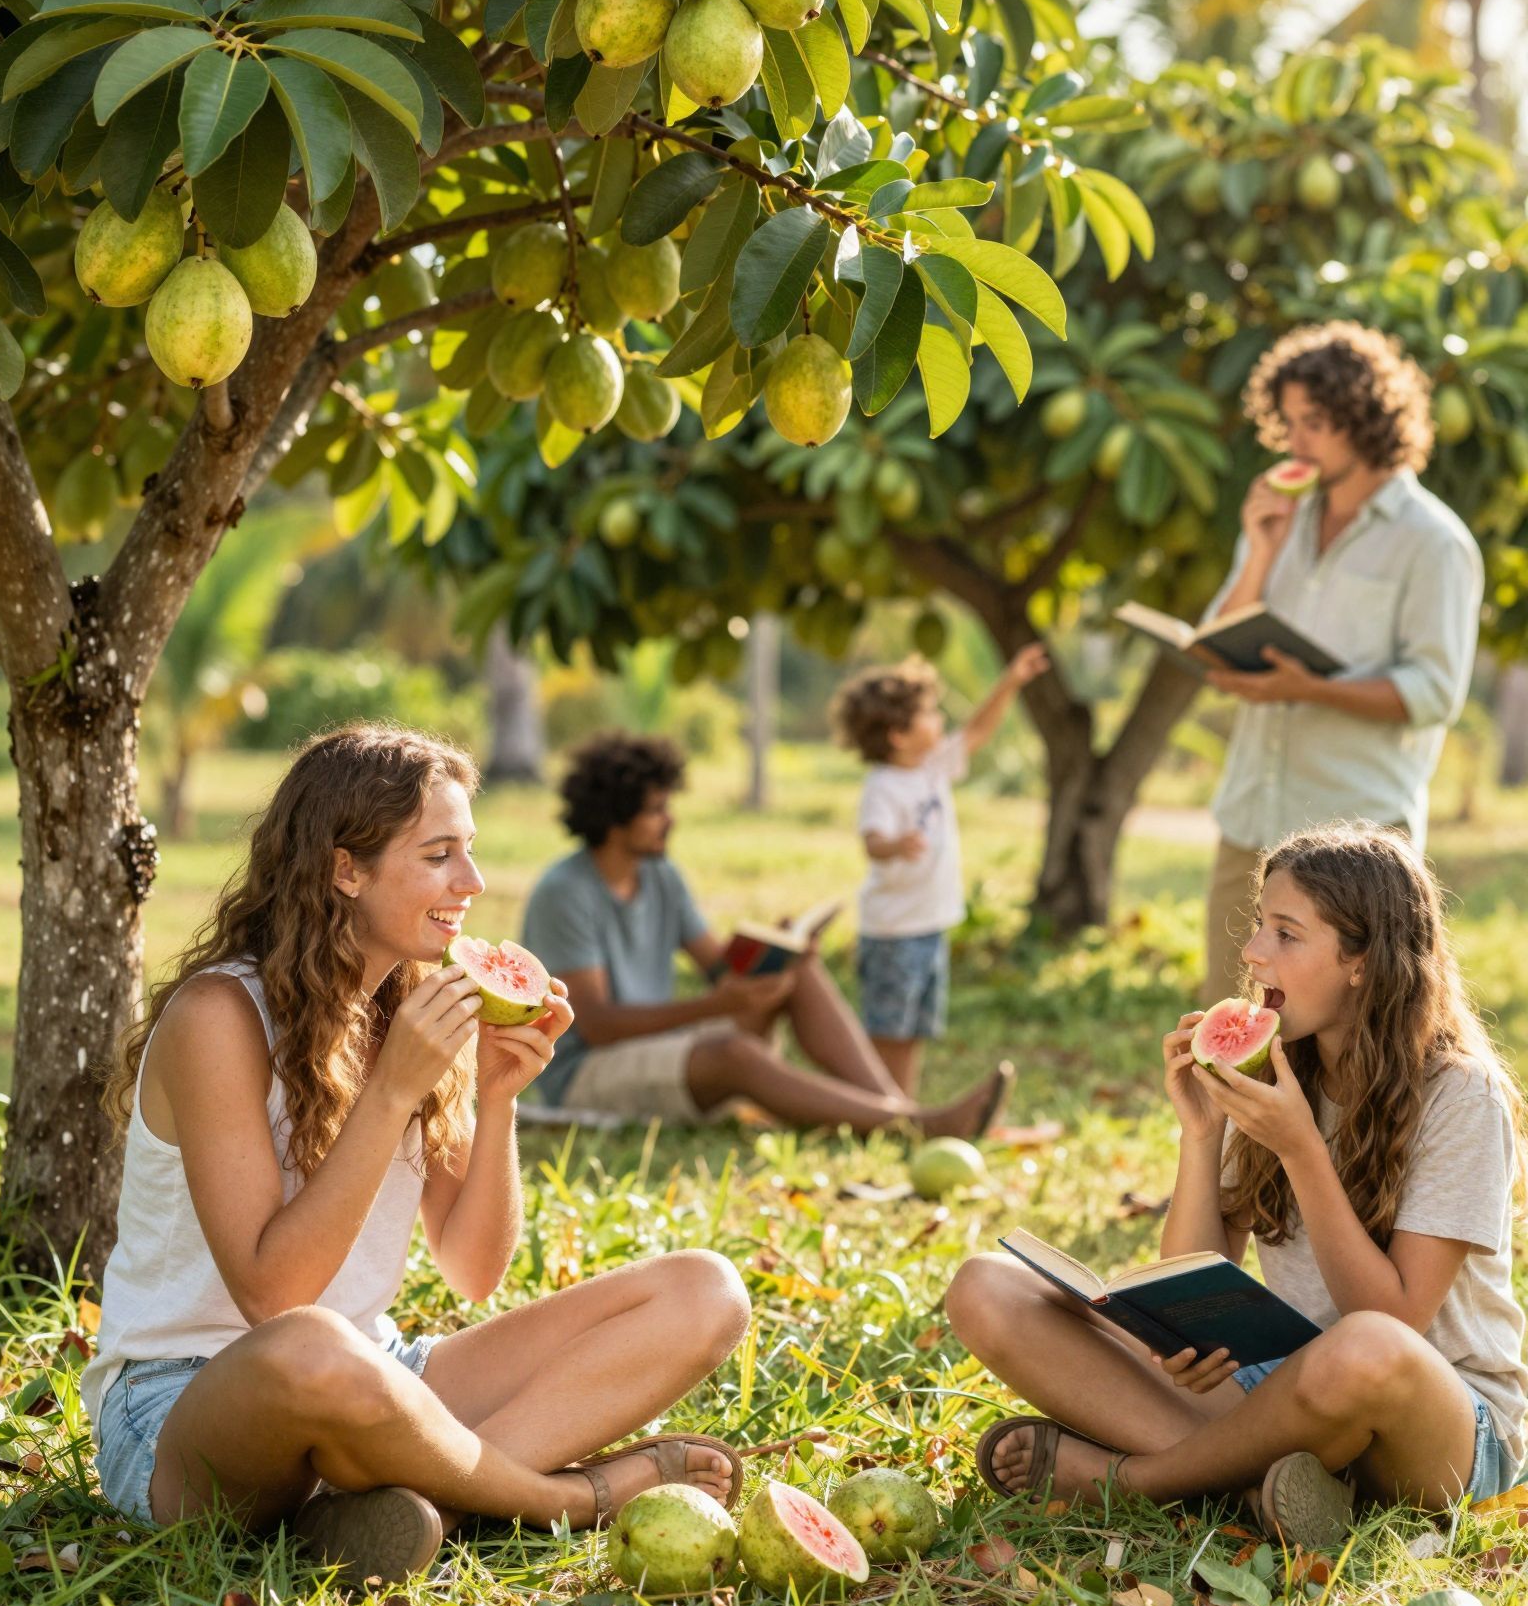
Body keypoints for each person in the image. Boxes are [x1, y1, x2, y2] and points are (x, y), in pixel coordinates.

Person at [82, 724, 753, 1584]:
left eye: (468, 853)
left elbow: (474, 1270)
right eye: (439, 856)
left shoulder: (418, 1006)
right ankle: (565, 1500)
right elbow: (271, 1296)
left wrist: (499, 1096)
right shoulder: (219, 1019)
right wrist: (389, 1093)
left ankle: (380, 1509)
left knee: (705, 1291)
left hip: (381, 1376)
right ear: (344, 869)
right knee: (311, 1346)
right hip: (185, 1403)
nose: (471, 884)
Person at [944, 825, 1527, 1545]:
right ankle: (1264, 1491)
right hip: (1278, 1389)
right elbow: (1193, 1278)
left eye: (1287, 934)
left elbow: (1396, 1316)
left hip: (1438, 1424)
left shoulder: (1460, 1094)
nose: (1253, 954)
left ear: (1363, 961)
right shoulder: (1278, 1064)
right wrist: (1201, 1133)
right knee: (987, 1287)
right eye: (1259, 925)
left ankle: (1136, 1481)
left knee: (1364, 1347)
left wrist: (1302, 1151)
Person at [521, 732, 1012, 1136]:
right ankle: (916, 1126)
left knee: (801, 973)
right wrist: (716, 1006)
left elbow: (720, 970)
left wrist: (776, 955)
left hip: (655, 1048)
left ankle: (898, 1111)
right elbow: (597, 1024)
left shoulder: (661, 876)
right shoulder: (565, 892)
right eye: (656, 810)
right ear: (613, 820)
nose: (670, 820)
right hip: (586, 1074)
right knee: (735, 1054)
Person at [1200, 322, 1482, 1005]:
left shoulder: (1433, 543)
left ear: (1368, 417)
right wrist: (1260, 550)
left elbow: (1435, 691)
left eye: (1316, 423)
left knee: (1351, 1042)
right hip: (1252, 822)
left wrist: (1313, 690)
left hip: (1356, 844)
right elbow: (1216, 637)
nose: (1296, 443)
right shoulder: (1284, 518)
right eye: (1289, 423)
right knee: (1228, 1025)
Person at [832, 646, 1048, 1094]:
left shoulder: (931, 768)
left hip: (930, 923)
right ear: (897, 734)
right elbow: (872, 843)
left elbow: (977, 731)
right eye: (928, 713)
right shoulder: (883, 787)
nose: (938, 719)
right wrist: (897, 844)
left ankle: (901, 1102)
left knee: (914, 1030)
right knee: (889, 1029)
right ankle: (878, 1103)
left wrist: (1011, 680)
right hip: (894, 930)